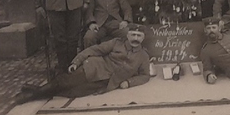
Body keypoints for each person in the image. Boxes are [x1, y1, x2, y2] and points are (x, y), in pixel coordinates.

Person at [14, 24, 151, 104]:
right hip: (94, 68)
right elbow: (94, 49)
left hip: (106, 82)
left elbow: (145, 76)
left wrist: (129, 82)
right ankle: (31, 96)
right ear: (127, 35)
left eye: (139, 36)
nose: (135, 39)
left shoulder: (143, 56)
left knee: (71, 92)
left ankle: (33, 89)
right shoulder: (116, 43)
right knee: (65, 82)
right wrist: (77, 61)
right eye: (133, 35)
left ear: (143, 38)